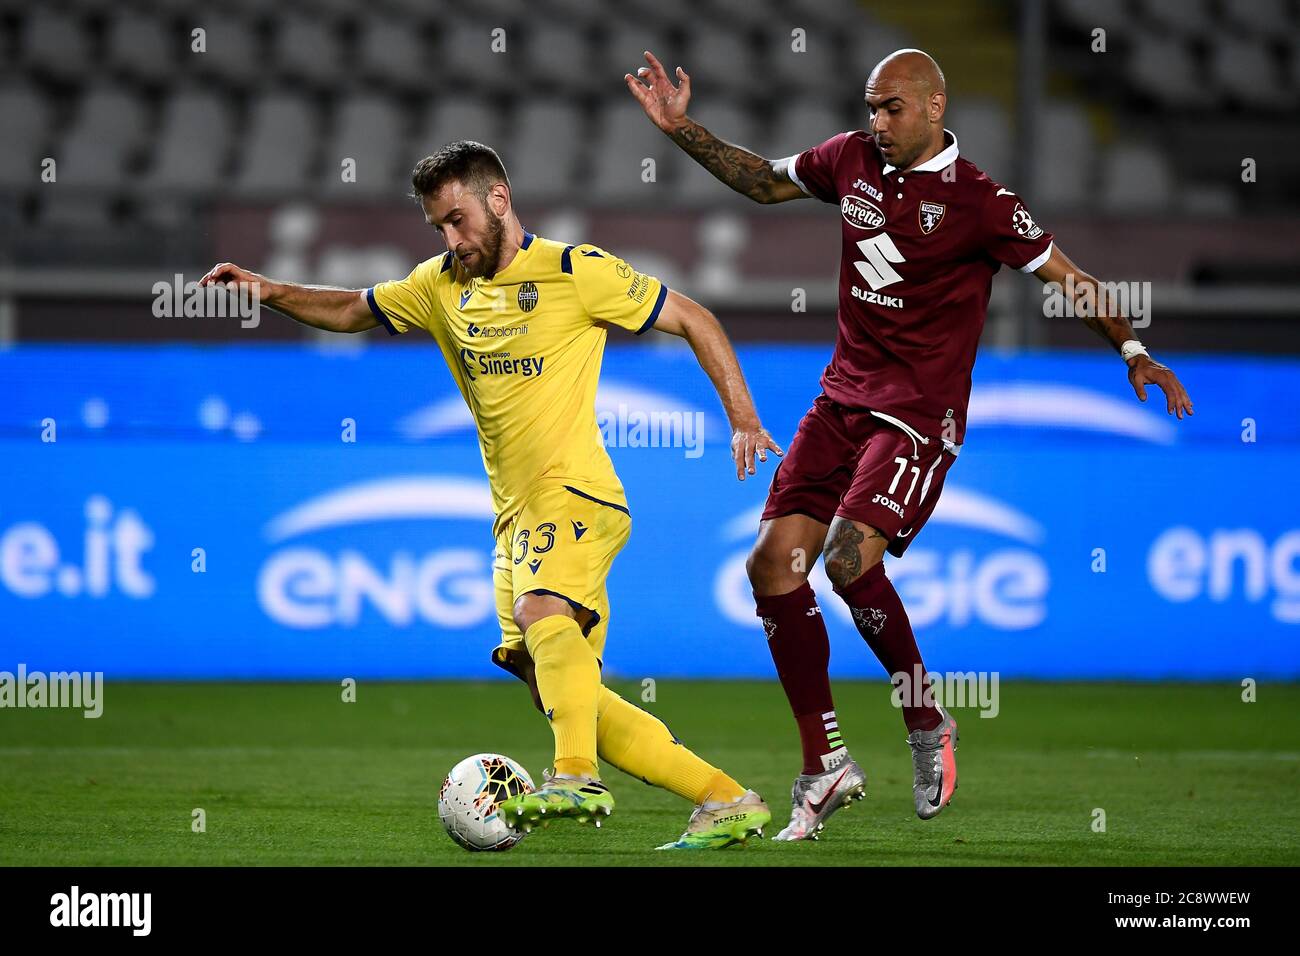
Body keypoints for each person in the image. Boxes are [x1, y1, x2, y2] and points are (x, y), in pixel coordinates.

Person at [627, 48, 1194, 840]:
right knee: (769, 565)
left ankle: (926, 722)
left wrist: (1134, 351)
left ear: (934, 106)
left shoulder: (983, 203)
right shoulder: (849, 160)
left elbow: (1068, 277)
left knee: (849, 558)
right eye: (871, 106)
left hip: (919, 417)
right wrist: (682, 129)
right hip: (839, 403)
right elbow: (762, 180)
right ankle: (825, 763)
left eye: (892, 107)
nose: (877, 122)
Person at [200, 140, 785, 850]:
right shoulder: (439, 285)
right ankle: (726, 799)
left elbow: (694, 318)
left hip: (576, 496)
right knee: (560, 690)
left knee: (544, 613)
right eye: (437, 227)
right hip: (513, 518)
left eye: (456, 220)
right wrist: (266, 289)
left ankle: (575, 778)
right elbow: (353, 310)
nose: (450, 239)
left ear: (498, 199)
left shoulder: (576, 271)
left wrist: (744, 418)